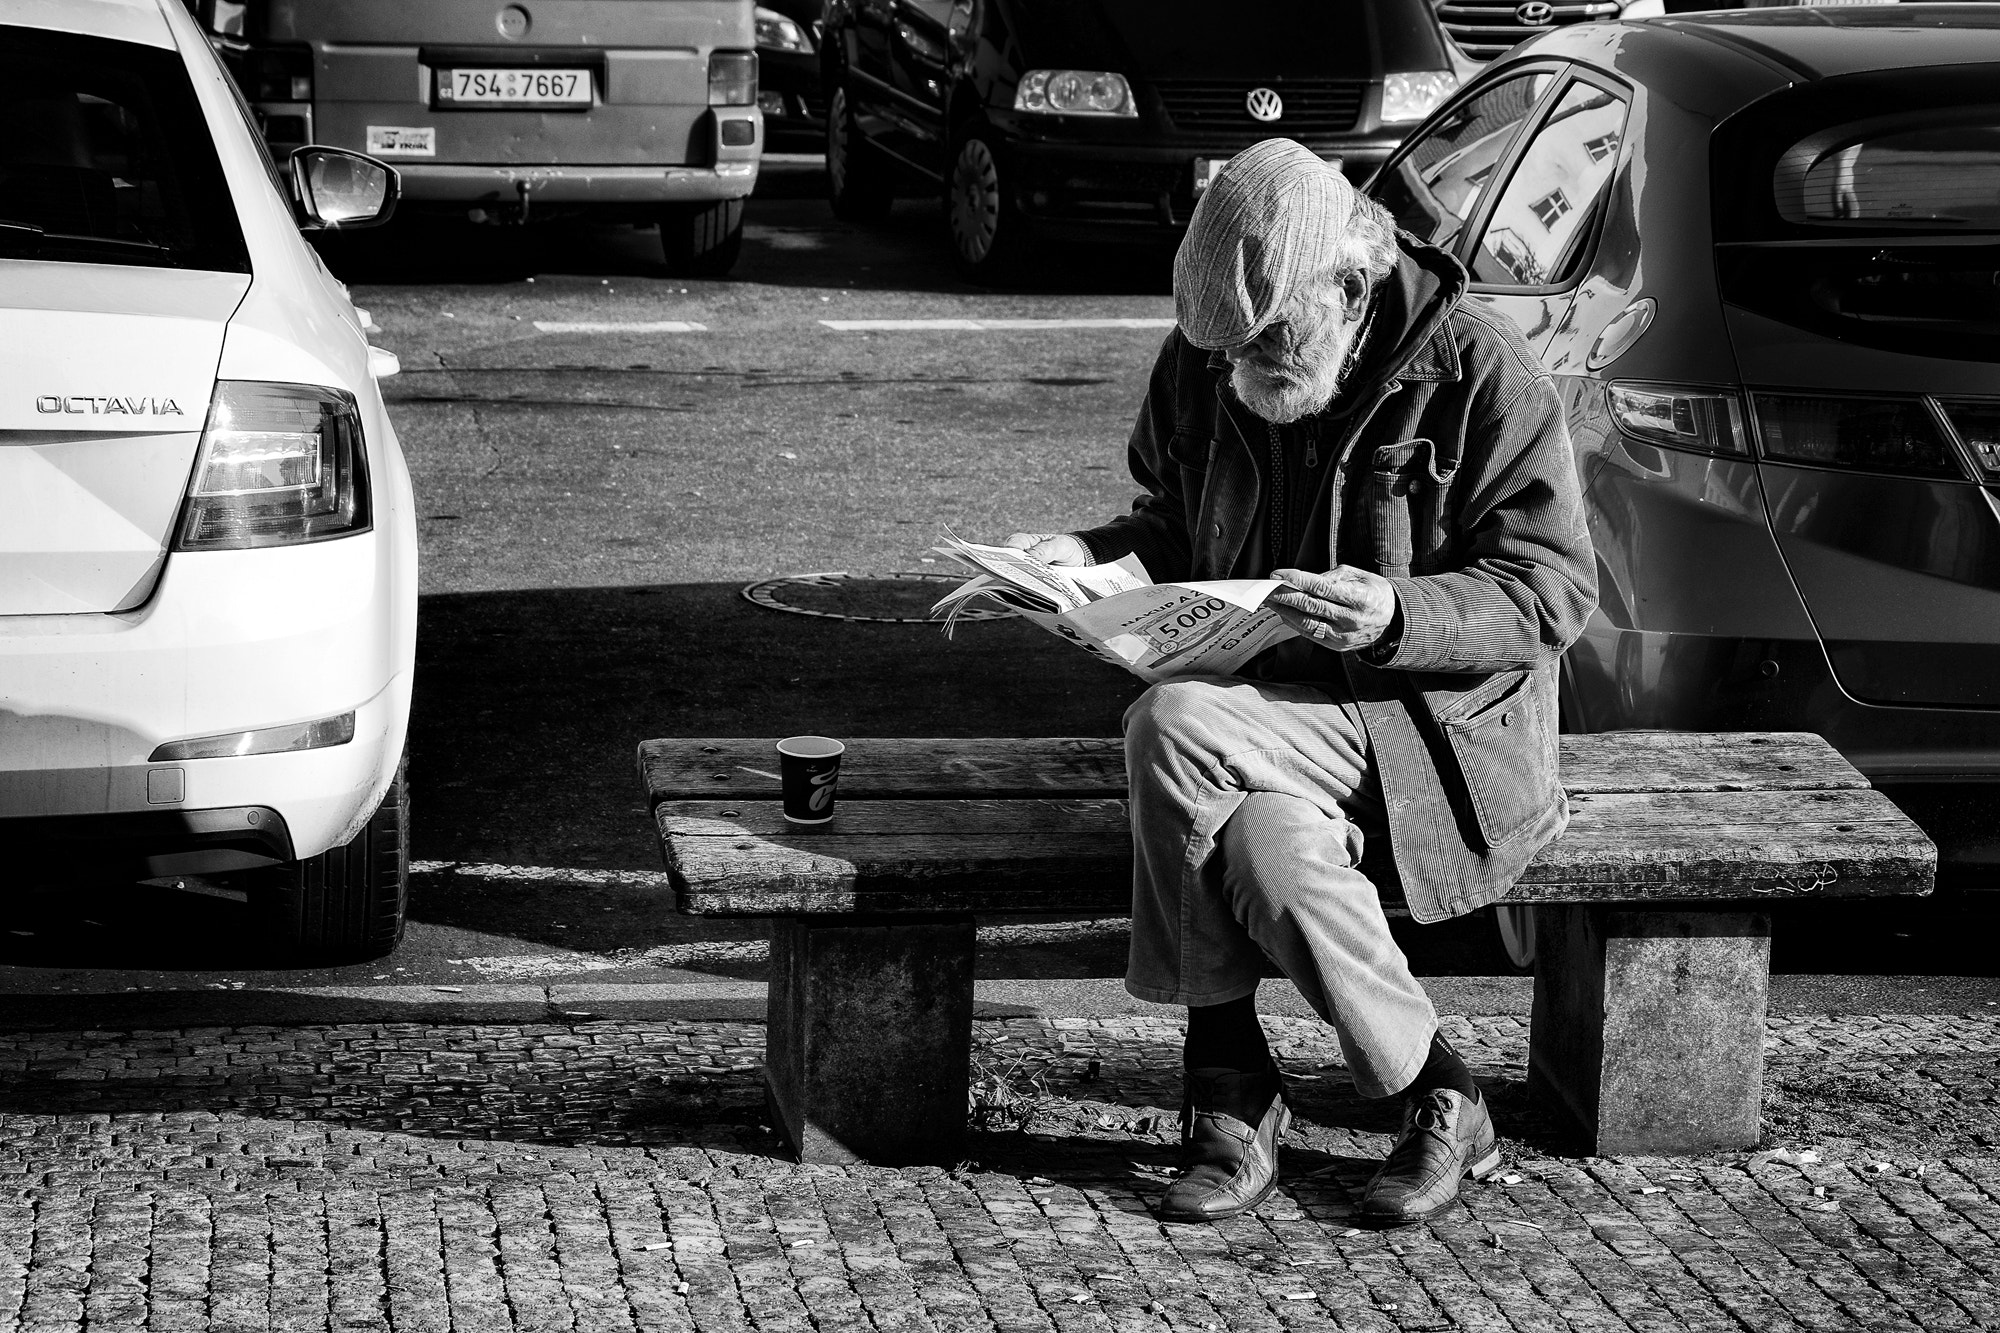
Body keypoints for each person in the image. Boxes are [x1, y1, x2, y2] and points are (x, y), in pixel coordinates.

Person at [1004, 139, 1596, 1226]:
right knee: (1264, 855)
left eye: (1271, 335)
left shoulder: (1478, 367)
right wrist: (1079, 560)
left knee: (1169, 725)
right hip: (1265, 720)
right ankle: (1440, 1095)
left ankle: (1224, 1081)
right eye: (1226, 345)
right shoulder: (1206, 359)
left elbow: (1551, 593)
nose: (1243, 364)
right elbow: (1166, 524)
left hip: (1427, 734)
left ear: (1352, 279)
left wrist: (1396, 612)